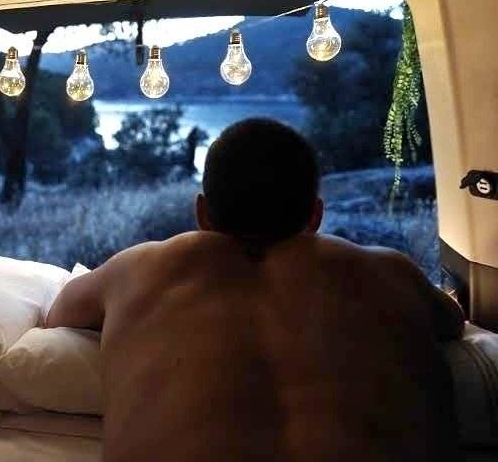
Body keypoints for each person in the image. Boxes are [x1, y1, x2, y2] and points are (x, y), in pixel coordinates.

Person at [46, 118, 464, 462]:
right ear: (316, 215)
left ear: (202, 213)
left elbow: (58, 315)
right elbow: (453, 322)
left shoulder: (136, 270)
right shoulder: (391, 272)